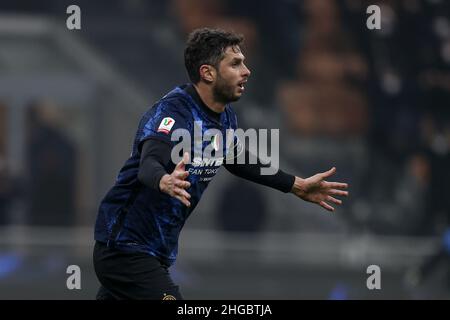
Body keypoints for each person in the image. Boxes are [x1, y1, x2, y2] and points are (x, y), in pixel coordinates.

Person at [93, 28, 349, 300]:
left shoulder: (224, 118)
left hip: (154, 253)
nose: (247, 71)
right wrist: (163, 180)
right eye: (236, 64)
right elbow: (149, 163)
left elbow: (237, 159)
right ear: (208, 73)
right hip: (123, 248)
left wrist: (294, 185)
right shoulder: (174, 113)